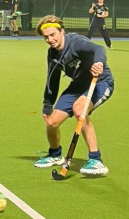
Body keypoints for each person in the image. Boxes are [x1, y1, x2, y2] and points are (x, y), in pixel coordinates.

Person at [33, 15, 114, 176]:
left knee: (80, 110)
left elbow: (98, 49)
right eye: (46, 37)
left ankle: (96, 160)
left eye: (53, 35)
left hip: (99, 82)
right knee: (52, 122)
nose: (50, 39)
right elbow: (52, 80)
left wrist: (98, 63)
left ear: (61, 31)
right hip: (78, 86)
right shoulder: (53, 54)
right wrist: (47, 105)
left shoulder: (76, 43)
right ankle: (55, 154)